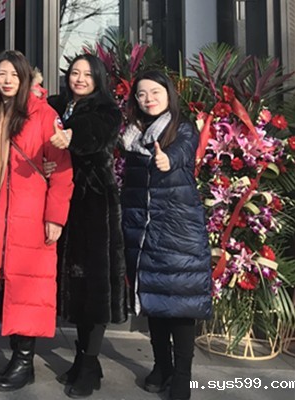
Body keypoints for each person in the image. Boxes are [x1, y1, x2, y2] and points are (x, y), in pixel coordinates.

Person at [0, 50, 73, 392]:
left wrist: (55, 218)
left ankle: (24, 361)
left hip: (31, 215)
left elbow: (62, 170)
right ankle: (18, 356)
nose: (7, 80)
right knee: (8, 283)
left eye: (13, 74)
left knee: (27, 286)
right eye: (1, 74)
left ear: (25, 77)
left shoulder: (44, 114)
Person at [121, 70, 211, 400]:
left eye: (155, 92)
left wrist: (167, 159)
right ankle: (162, 366)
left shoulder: (182, 128)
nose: (149, 99)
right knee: (155, 301)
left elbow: (184, 151)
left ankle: (182, 375)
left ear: (168, 94)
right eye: (142, 94)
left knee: (181, 304)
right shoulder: (132, 134)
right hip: (143, 231)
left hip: (178, 230)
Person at [47, 54, 126, 398]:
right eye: (75, 73)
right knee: (76, 286)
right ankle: (84, 359)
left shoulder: (107, 110)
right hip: (67, 202)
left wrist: (70, 137)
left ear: (98, 80)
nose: (79, 79)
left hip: (94, 205)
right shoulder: (59, 105)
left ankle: (90, 362)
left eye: (87, 74)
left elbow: (92, 136)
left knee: (95, 288)